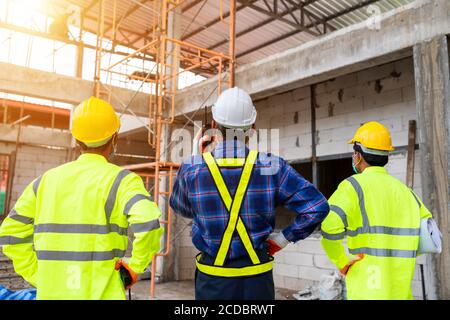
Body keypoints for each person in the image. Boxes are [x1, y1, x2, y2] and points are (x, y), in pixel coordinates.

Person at [170, 87, 329, 300]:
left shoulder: (192, 167)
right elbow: (317, 207)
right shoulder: (273, 166)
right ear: (252, 127)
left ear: (215, 126)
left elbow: (182, 209)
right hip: (257, 280)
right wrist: (282, 240)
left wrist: (194, 165)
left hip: (212, 281)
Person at [0, 97, 163, 300]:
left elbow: (9, 233)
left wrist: (38, 274)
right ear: (115, 138)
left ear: (77, 140)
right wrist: (135, 267)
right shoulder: (123, 181)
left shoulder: (44, 182)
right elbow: (149, 223)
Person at [320, 121, 434, 300]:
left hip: (367, 292)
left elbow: (328, 226)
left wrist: (342, 261)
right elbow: (429, 235)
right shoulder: (406, 191)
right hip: (401, 293)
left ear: (358, 156)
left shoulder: (352, 186)